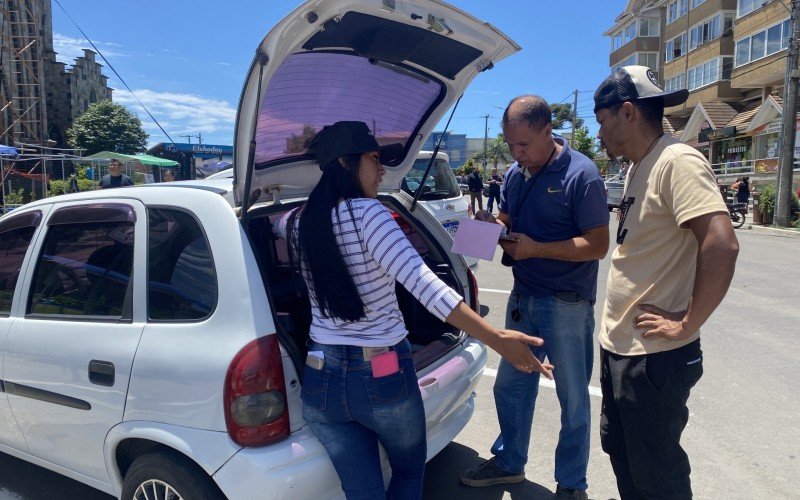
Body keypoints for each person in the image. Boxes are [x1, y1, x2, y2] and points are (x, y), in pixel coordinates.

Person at [274, 121, 553, 500]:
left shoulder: (296, 223)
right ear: (345, 162)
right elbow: (426, 288)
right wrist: (497, 338)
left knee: (362, 491)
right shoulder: (370, 215)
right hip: (381, 372)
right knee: (408, 470)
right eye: (375, 159)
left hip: (320, 378)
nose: (383, 169)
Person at [593, 65, 739, 499]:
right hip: (623, 350)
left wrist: (687, 322)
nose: (599, 133)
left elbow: (721, 242)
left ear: (627, 112)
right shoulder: (643, 165)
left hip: (654, 359)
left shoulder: (677, 160)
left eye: (602, 122)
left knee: (657, 475)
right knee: (624, 456)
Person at [460, 96, 609, 500]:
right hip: (524, 297)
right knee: (510, 387)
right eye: (510, 145)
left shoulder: (583, 175)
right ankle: (510, 463)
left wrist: (536, 248)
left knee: (573, 398)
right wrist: (491, 226)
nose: (516, 153)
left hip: (567, 303)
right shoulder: (515, 173)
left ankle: (572, 485)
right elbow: (509, 218)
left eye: (524, 144)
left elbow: (597, 244)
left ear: (548, 130)